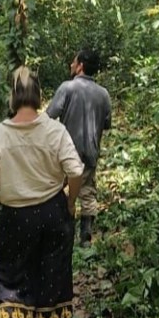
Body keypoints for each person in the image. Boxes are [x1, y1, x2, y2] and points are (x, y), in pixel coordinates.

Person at [0, 66, 85, 318]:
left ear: (12, 96)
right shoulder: (53, 130)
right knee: (53, 272)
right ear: (38, 96)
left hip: (15, 215)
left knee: (12, 275)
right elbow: (75, 171)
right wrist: (70, 200)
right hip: (52, 210)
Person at [46, 48, 112, 247]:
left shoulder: (67, 88)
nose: (71, 65)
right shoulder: (104, 94)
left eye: (74, 61)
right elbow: (107, 124)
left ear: (81, 65)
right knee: (88, 192)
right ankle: (85, 237)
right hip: (90, 151)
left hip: (66, 151)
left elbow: (49, 115)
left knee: (55, 189)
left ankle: (58, 233)